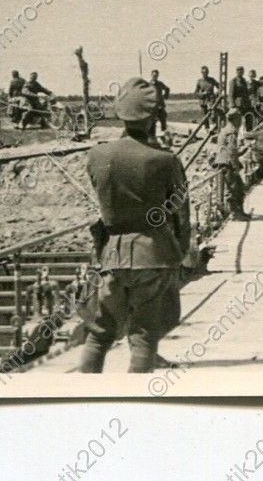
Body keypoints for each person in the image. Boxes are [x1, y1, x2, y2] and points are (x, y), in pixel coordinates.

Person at [79, 77, 191, 373]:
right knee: (143, 336)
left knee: (99, 334)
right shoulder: (165, 161)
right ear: (153, 117)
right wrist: (181, 253)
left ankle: (81, 397)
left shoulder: (98, 155)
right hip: (153, 254)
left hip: (111, 256)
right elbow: (180, 213)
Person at [215, 108, 249, 220]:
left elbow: (231, 151)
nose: (240, 121)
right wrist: (235, 168)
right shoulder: (231, 131)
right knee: (234, 189)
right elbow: (230, 151)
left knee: (238, 187)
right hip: (228, 164)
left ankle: (239, 212)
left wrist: (243, 151)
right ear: (234, 119)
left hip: (225, 162)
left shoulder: (226, 130)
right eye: (239, 118)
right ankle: (236, 213)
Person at [228, 66, 252, 131]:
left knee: (249, 119)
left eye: (241, 70)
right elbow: (231, 94)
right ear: (236, 72)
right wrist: (232, 106)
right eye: (238, 70)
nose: (240, 72)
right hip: (237, 105)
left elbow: (246, 93)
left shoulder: (244, 81)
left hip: (246, 104)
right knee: (237, 122)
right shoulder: (233, 81)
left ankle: (247, 134)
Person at [150, 69, 170, 134]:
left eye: (156, 76)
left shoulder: (160, 84)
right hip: (152, 107)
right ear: (151, 75)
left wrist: (165, 97)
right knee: (152, 122)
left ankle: (164, 136)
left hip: (160, 106)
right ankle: (152, 137)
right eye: (154, 75)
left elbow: (167, 89)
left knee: (163, 120)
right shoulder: (148, 84)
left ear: (158, 76)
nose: (155, 77)